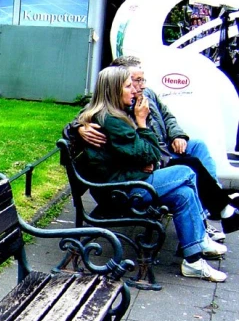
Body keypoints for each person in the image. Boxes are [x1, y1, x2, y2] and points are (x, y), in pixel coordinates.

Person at [75, 66, 227, 282]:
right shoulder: (112, 120)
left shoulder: (112, 115)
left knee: (182, 194)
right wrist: (142, 123)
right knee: (188, 171)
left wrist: (145, 160)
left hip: (127, 181)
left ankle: (193, 259)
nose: (135, 90)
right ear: (113, 91)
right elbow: (151, 153)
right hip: (124, 191)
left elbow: (135, 155)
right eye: (128, 86)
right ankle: (203, 234)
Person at [67, 55, 239, 240]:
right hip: (148, 162)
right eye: (134, 81)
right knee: (190, 167)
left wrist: (177, 135)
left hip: (160, 151)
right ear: (118, 82)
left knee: (198, 147)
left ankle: (208, 214)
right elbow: (84, 118)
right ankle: (210, 217)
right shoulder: (114, 105)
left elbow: (168, 116)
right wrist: (78, 128)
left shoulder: (148, 94)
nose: (139, 86)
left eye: (142, 80)